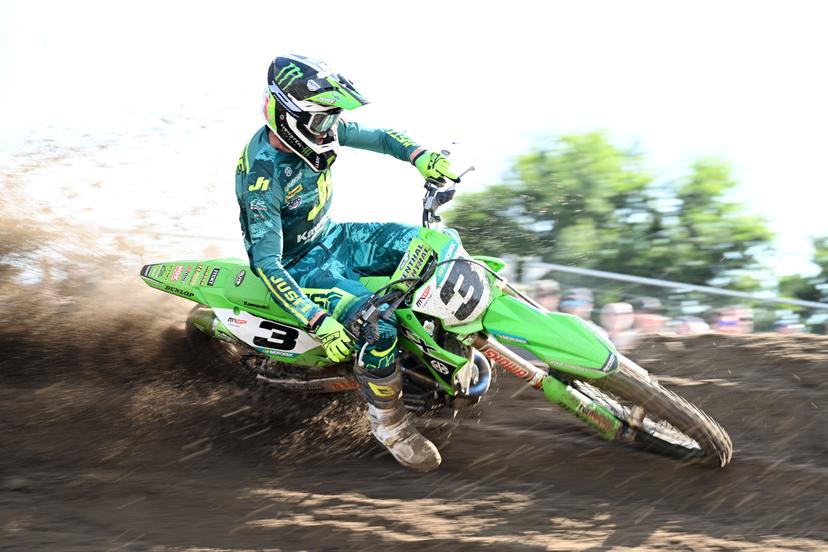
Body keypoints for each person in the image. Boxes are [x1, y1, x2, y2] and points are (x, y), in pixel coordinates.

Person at [236, 54, 458, 472]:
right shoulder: (263, 178)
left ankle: (439, 349)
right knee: (380, 328)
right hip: (299, 265)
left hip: (335, 237)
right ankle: (390, 425)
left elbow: (380, 137)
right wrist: (316, 319)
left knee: (434, 243)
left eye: (333, 117)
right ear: (289, 117)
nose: (331, 127)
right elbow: (266, 263)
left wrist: (419, 155)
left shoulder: (318, 127)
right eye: (322, 119)